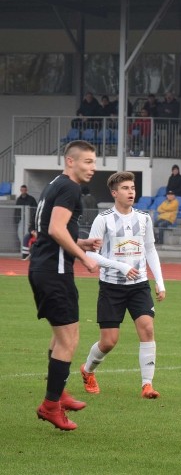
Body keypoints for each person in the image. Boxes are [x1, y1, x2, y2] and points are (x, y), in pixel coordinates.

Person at [28, 140, 101, 431]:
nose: (92, 168)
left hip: (46, 267)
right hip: (54, 272)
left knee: (64, 337)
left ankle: (58, 393)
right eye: (87, 162)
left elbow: (47, 229)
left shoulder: (55, 184)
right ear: (70, 161)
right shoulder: (69, 187)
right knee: (68, 340)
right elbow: (56, 229)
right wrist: (84, 256)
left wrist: (80, 242)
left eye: (94, 163)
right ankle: (50, 405)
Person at [79, 172, 166, 399]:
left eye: (133, 188)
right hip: (111, 287)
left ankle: (147, 385)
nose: (131, 192)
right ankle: (87, 371)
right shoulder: (103, 219)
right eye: (126, 188)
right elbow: (91, 254)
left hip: (139, 285)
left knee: (147, 328)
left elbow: (150, 249)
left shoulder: (144, 218)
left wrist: (160, 281)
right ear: (114, 193)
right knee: (109, 341)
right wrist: (121, 267)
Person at [15, 184, 38, 259]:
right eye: (22, 190)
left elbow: (35, 209)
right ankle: (25, 252)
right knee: (21, 235)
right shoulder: (19, 199)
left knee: (28, 235)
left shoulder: (31, 199)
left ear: (26, 190)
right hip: (21, 220)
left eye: (24, 190)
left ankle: (30, 252)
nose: (23, 191)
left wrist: (32, 219)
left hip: (30, 220)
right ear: (20, 190)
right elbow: (17, 210)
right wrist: (16, 220)